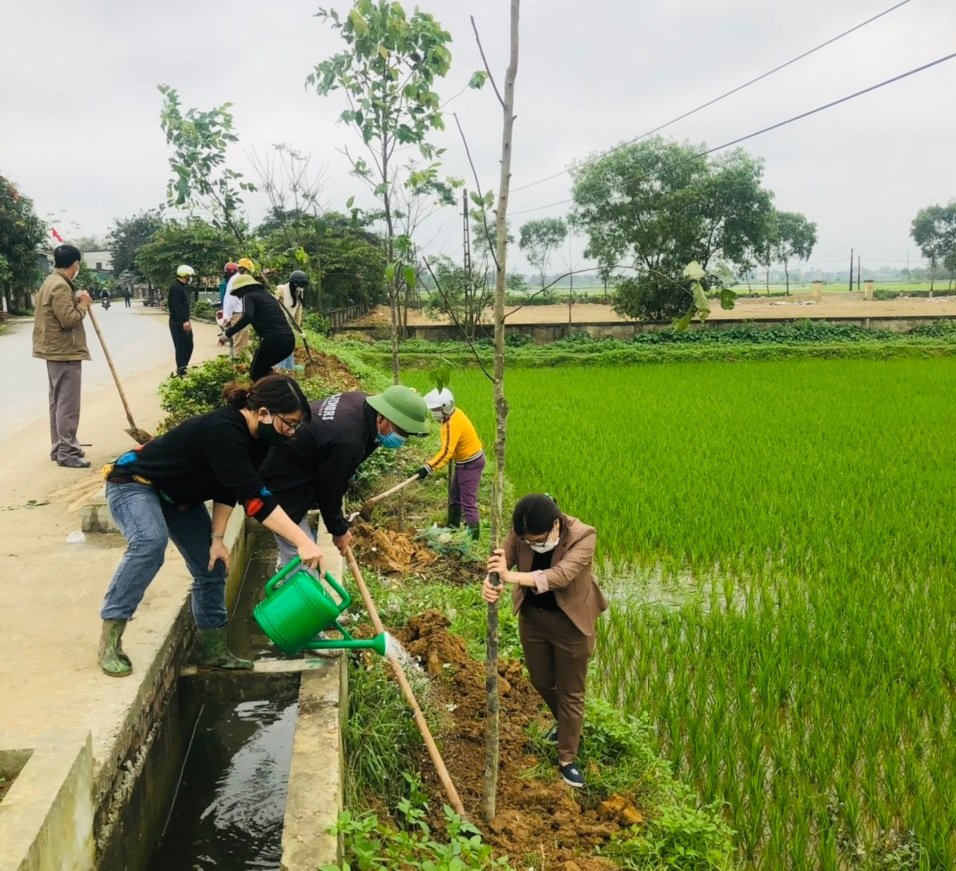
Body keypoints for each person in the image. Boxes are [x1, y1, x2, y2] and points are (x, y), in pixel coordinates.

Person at [98, 373, 324, 678]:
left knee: (212, 563)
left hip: (179, 498)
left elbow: (228, 488)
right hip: (135, 483)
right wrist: (303, 540)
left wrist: (218, 539)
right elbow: (256, 501)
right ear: (263, 413)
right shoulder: (223, 431)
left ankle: (212, 650)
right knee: (150, 542)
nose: (292, 432)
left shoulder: (259, 441)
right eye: (289, 423)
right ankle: (111, 639)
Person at [481, 493, 608, 789]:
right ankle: (567, 725)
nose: (532, 545)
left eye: (538, 541)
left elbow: (560, 576)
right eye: (527, 541)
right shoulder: (521, 533)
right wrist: (490, 581)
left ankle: (567, 758)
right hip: (533, 619)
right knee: (541, 679)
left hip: (570, 624)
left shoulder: (582, 536)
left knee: (571, 691)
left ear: (555, 525)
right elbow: (502, 560)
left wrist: (510, 578)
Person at [260, 386, 429, 562]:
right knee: (302, 556)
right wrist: (338, 530)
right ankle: (296, 577)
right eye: (401, 432)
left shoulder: (360, 402)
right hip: (282, 478)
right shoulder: (348, 440)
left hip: (295, 460)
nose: (403, 439)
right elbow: (330, 487)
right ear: (382, 417)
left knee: (304, 551)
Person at [32, 244, 94, 468]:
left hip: (56, 351)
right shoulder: (59, 285)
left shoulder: (51, 281)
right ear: (75, 264)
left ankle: (60, 448)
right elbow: (68, 320)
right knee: (67, 404)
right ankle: (67, 452)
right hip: (64, 352)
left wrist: (76, 301)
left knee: (58, 403)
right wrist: (83, 305)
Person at [416, 388, 485, 539]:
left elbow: (447, 451)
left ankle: (473, 537)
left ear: (446, 407)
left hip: (471, 463)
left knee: (468, 501)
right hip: (463, 462)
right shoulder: (450, 417)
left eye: (436, 410)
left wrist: (427, 468)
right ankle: (453, 526)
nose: (434, 413)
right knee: (455, 495)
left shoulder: (453, 423)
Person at [221, 274, 294, 381]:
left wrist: (227, 333)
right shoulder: (268, 296)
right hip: (289, 340)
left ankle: (269, 390)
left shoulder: (248, 296)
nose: (239, 297)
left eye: (238, 293)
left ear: (243, 289)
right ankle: (279, 386)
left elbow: (247, 317)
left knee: (255, 372)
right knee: (264, 370)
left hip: (273, 340)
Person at [272, 269, 308, 370]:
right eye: (300, 285)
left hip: (286, 325)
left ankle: (289, 368)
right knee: (281, 347)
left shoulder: (299, 292)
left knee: (289, 344)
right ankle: (279, 369)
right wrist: (274, 298)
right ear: (294, 283)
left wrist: (299, 329)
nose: (301, 288)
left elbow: (297, 314)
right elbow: (272, 301)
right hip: (277, 324)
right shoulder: (282, 289)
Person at [223, 257, 255, 357]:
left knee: (240, 344)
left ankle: (235, 363)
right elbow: (230, 300)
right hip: (238, 315)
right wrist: (227, 317)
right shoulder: (237, 280)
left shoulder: (238, 279)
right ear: (244, 270)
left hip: (240, 314)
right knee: (240, 346)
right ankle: (238, 365)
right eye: (248, 272)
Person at [168, 264, 195, 376]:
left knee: (189, 345)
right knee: (181, 346)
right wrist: (184, 321)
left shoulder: (182, 287)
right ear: (186, 276)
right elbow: (177, 306)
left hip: (183, 321)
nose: (191, 278)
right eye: (190, 276)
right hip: (178, 322)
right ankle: (181, 370)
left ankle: (184, 367)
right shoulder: (176, 288)